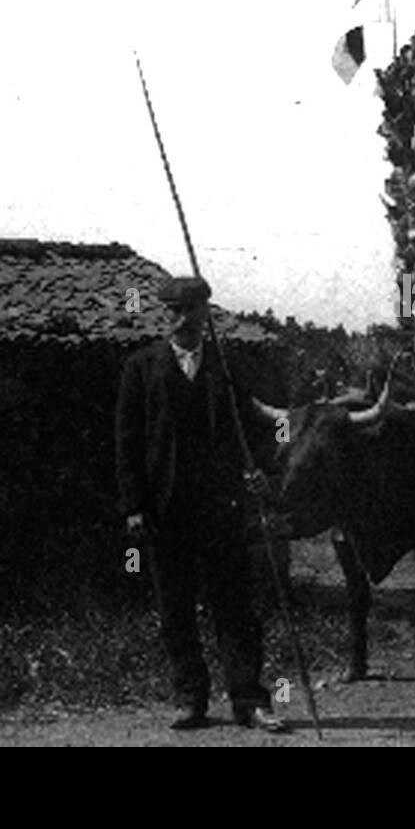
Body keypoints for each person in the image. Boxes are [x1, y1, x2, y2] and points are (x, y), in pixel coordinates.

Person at [115, 276, 286, 732]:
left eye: (191, 311)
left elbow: (254, 425)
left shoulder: (228, 369)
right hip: (165, 508)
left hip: (221, 506)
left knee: (235, 606)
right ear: (162, 315)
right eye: (173, 312)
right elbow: (128, 441)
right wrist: (134, 504)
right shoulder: (142, 367)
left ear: (205, 314)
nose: (181, 320)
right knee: (175, 607)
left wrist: (259, 468)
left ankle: (249, 699)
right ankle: (190, 698)